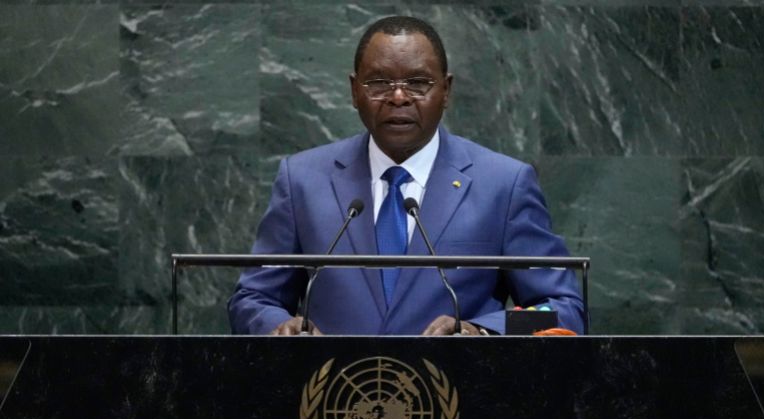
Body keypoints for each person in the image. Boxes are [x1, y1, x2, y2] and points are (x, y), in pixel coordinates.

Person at [228, 15, 584, 336]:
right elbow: (253, 298)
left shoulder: (504, 185)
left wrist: (483, 331)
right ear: (354, 91)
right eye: (379, 83)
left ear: (446, 91)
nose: (398, 97)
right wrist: (279, 327)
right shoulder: (303, 180)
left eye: (418, 83)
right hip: (331, 398)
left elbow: (562, 309)